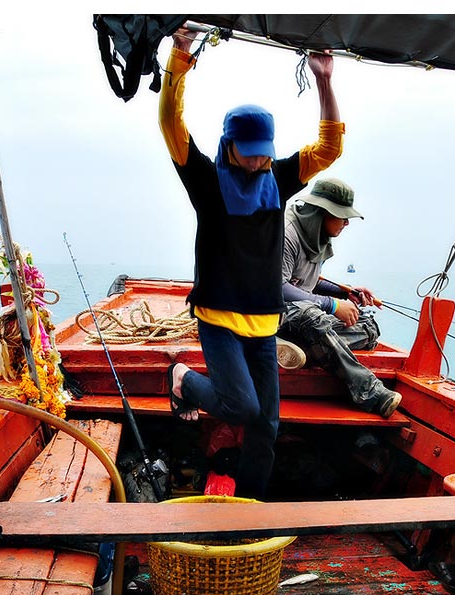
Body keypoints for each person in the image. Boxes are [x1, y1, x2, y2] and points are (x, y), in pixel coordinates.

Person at [159, 26, 345, 499]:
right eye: (252, 154)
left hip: (265, 325)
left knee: (267, 427)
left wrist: (324, 81)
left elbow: (329, 148)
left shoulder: (279, 179)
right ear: (231, 144)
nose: (262, 163)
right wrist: (180, 57)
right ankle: (182, 378)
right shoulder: (205, 180)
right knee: (240, 406)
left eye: (267, 154)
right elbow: (171, 126)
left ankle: (250, 508)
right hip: (218, 319)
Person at [275, 177, 402, 417]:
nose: (346, 222)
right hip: (270, 314)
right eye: (342, 216)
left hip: (298, 322)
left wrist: (345, 293)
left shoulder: (316, 235)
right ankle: (369, 392)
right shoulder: (287, 233)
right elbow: (277, 287)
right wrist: (332, 305)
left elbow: (307, 281)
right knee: (313, 317)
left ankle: (298, 349)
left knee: (368, 326)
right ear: (323, 213)